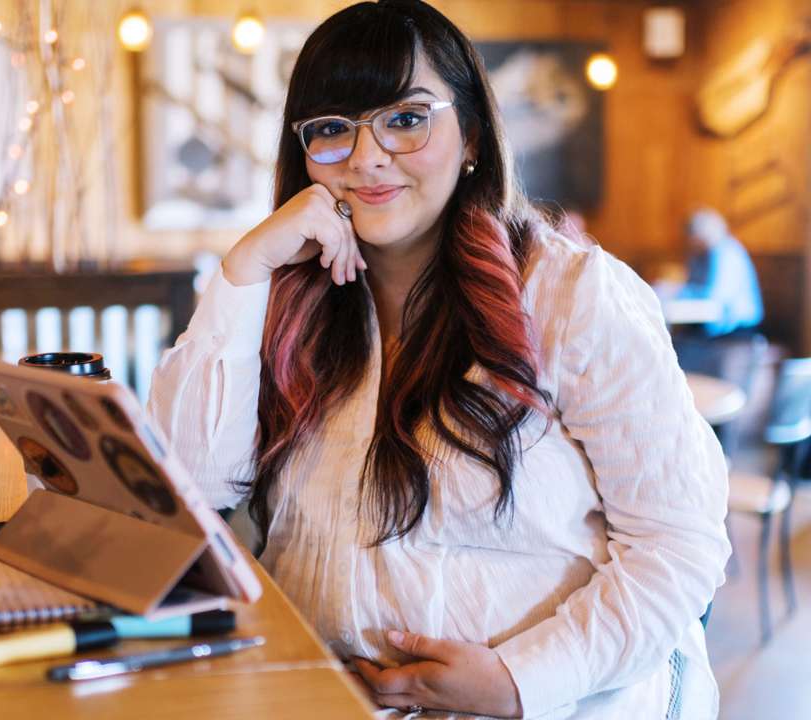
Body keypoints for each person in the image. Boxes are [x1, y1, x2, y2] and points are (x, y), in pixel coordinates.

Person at [148, 2, 731, 718]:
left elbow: (680, 546)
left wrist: (521, 680)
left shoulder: (570, 295)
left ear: (472, 138)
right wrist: (243, 271)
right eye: (332, 129)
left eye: (406, 118)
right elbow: (187, 496)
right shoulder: (286, 302)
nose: (366, 157)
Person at [675, 208, 764, 337]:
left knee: (685, 346)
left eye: (694, 237)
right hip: (711, 324)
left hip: (737, 327)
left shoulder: (725, 252)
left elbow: (714, 296)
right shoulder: (698, 255)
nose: (691, 242)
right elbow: (692, 284)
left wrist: (678, 291)